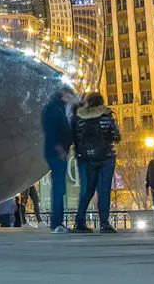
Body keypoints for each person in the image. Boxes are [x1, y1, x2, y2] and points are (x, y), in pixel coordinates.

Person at [70, 91, 120, 233]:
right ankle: (104, 224)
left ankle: (80, 222)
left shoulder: (78, 117)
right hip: (106, 158)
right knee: (104, 191)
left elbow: (74, 137)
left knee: (87, 191)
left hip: (85, 159)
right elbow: (116, 135)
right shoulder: (106, 115)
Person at [40, 87, 75, 233]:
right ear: (64, 95)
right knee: (59, 188)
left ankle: (57, 222)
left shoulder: (58, 108)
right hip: (56, 153)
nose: (71, 98)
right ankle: (56, 223)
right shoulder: (53, 109)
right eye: (70, 95)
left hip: (58, 152)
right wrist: (60, 149)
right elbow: (51, 130)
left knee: (60, 189)